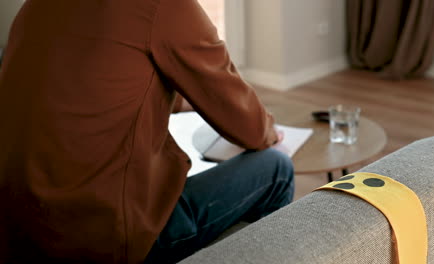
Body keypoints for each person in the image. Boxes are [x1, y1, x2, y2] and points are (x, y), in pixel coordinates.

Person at [0, 0, 294, 263]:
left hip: (19, 231)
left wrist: (187, 96)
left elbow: (92, 81)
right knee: (276, 168)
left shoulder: (36, 6)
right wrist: (269, 132)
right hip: (104, 239)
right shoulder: (165, 7)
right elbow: (250, 128)